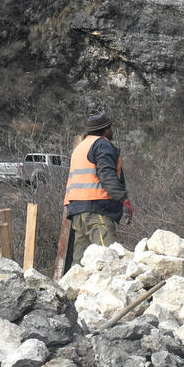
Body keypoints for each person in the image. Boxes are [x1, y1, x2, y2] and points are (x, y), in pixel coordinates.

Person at [64, 111, 133, 266]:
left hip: (77, 209)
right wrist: (124, 200)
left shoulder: (81, 147)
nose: (112, 130)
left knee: (80, 264)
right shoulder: (102, 145)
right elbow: (107, 175)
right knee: (105, 259)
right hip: (97, 209)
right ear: (106, 130)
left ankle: (75, 289)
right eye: (110, 127)